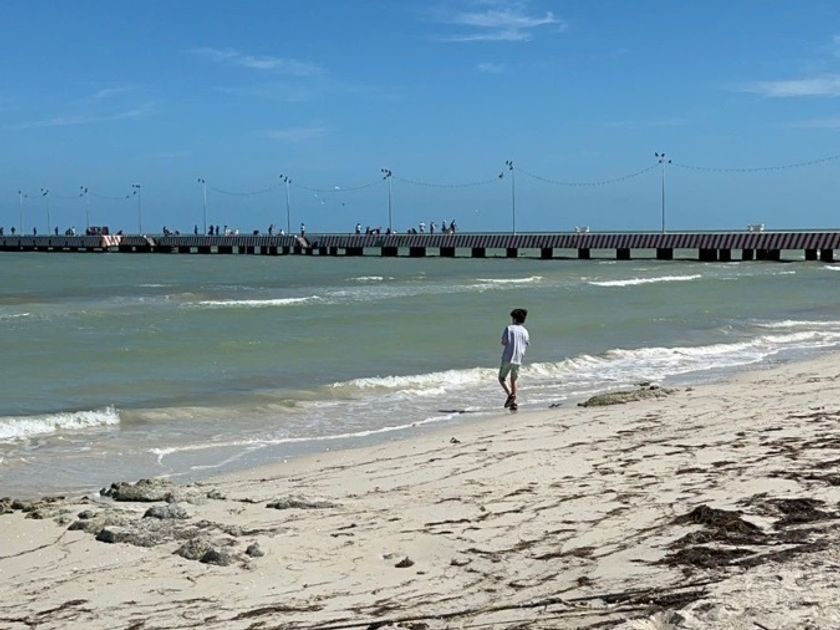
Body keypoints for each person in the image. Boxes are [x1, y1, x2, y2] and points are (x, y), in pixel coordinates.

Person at [498, 308, 529, 411]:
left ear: (514, 319)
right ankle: (514, 402)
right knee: (514, 379)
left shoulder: (509, 328)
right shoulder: (525, 331)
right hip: (519, 358)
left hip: (508, 357)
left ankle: (510, 395)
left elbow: (504, 342)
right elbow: (526, 344)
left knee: (502, 378)